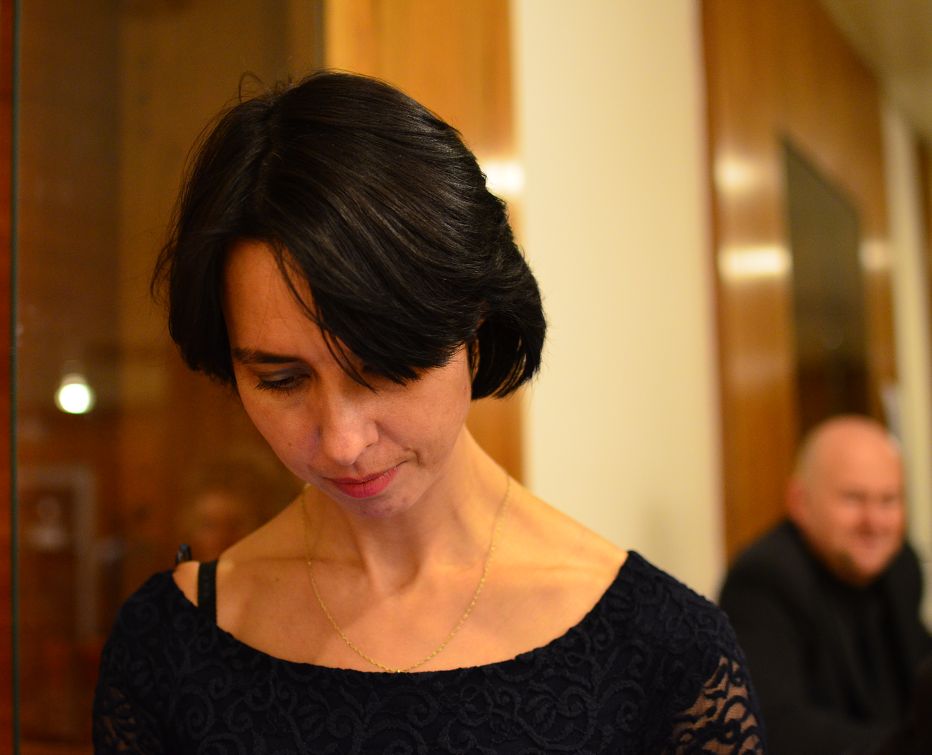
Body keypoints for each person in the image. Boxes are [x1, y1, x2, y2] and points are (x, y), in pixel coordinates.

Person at [94, 70, 766, 753]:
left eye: (385, 367)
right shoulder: (169, 649)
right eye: (283, 380)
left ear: (475, 325)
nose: (343, 442)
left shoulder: (663, 653)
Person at [719, 415, 932, 753]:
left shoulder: (901, 566)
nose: (874, 521)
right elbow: (775, 725)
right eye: (854, 498)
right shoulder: (762, 580)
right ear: (799, 502)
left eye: (888, 500)